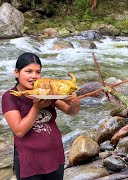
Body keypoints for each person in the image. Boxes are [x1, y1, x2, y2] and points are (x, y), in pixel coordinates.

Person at [1, 52, 80, 180]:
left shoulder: (47, 91)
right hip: (29, 163)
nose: (34, 76)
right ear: (17, 72)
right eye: (28, 71)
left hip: (55, 156)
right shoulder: (10, 97)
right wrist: (36, 107)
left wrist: (75, 102)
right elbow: (19, 131)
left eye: (38, 72)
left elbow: (71, 112)